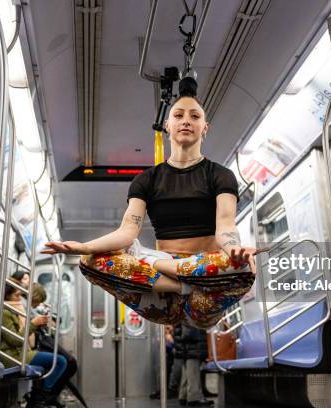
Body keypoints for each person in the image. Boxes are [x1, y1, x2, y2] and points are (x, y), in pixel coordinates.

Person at [41, 95, 257, 329]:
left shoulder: (220, 175)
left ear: (204, 128)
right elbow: (128, 231)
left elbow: (225, 226)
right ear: (167, 126)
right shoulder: (146, 180)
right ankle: (179, 283)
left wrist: (234, 250)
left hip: (203, 290)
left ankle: (176, 272)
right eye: (178, 115)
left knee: (245, 266)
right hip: (161, 293)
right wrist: (85, 247)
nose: (186, 121)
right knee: (89, 261)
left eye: (194, 116)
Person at [0, 282, 68, 407]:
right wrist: (34, 323)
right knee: (61, 361)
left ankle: (39, 397)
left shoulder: (14, 309)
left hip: (18, 352)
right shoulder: (6, 312)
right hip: (13, 356)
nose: (21, 298)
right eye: (18, 295)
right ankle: (40, 398)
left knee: (57, 361)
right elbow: (15, 340)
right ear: (8, 296)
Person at [175, 323, 213, 406]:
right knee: (193, 372)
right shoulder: (190, 315)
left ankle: (183, 396)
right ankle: (194, 398)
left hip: (186, 346)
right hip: (192, 346)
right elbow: (189, 333)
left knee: (187, 373)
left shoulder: (182, 314)